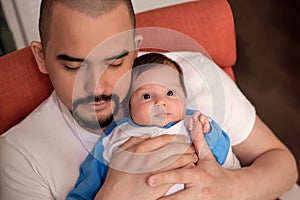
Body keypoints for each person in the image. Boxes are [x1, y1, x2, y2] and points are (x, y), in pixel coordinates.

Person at [0, 0, 297, 200]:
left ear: (134, 48)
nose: (96, 86)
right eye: (74, 66)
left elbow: (284, 166)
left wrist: (227, 187)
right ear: (41, 57)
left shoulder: (192, 74)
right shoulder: (20, 156)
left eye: (115, 62)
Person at [67, 53, 241, 199]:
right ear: (128, 105)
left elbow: (223, 157)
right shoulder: (115, 137)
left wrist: (209, 132)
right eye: (147, 96)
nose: (161, 102)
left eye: (170, 93)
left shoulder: (192, 123)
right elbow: (89, 182)